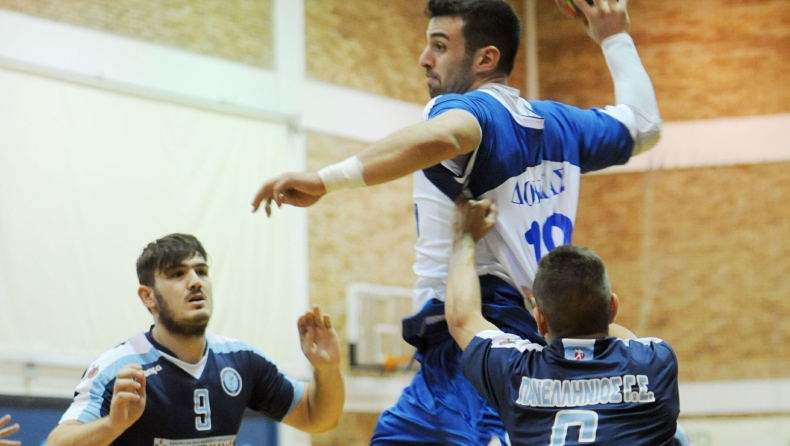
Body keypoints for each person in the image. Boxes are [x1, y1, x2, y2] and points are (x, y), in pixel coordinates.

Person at [252, 0, 660, 443]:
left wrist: (325, 180)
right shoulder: (564, 124)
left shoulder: (468, 109)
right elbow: (643, 125)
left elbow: (446, 134)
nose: (425, 58)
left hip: (480, 340)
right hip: (455, 359)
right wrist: (614, 36)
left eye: (440, 46)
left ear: (485, 58)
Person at [47, 233, 344, 445]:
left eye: (201, 271)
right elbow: (57, 443)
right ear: (148, 296)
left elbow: (318, 418)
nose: (195, 282)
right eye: (177, 274)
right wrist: (112, 426)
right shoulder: (119, 367)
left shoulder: (242, 360)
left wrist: (328, 371)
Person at [446, 197, 680, 445]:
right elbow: (629, 345)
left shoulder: (516, 371)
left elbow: (462, 319)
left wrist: (464, 238)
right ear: (612, 308)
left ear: (540, 320)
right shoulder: (656, 361)